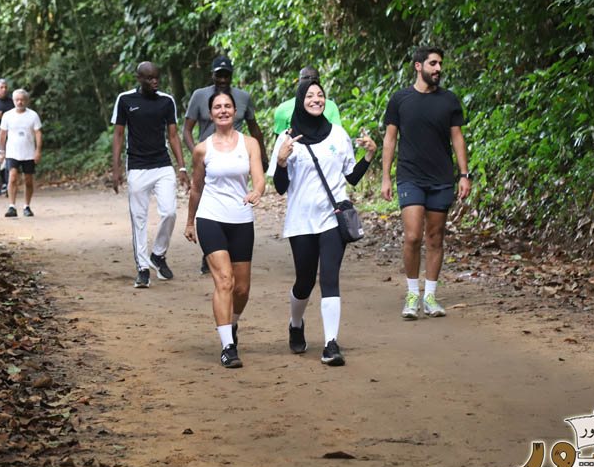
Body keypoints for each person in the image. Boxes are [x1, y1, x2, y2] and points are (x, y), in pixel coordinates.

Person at [268, 79, 376, 366]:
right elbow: (280, 187)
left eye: (321, 95)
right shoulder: (287, 138)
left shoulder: (338, 135)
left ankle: (330, 344)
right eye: (310, 95)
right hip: (301, 221)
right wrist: (280, 162)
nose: (316, 99)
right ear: (301, 100)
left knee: (329, 278)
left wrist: (369, 156)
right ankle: (295, 322)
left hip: (332, 218)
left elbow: (350, 177)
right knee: (304, 281)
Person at [381, 46, 471, 320]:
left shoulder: (449, 100)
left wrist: (464, 175)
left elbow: (457, 138)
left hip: (441, 178)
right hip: (410, 176)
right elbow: (390, 139)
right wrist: (385, 176)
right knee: (412, 236)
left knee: (435, 237)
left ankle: (430, 295)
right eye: (433, 63)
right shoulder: (400, 99)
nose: (438, 68)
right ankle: (412, 293)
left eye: (440, 64)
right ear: (418, 66)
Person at [184, 88, 265, 368]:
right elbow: (196, 187)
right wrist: (190, 221)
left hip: (241, 219)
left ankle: (232, 324)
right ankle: (227, 346)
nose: (222, 110)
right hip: (211, 218)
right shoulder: (202, 149)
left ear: (235, 111)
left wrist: (257, 191)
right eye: (217, 107)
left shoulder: (250, 143)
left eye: (227, 106)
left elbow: (259, 177)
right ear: (210, 113)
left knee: (242, 289)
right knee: (225, 281)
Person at [183, 55, 267, 274]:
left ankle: (223, 249)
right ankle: (211, 250)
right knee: (206, 196)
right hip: (209, 159)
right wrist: (198, 154)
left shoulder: (243, 97)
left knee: (240, 287)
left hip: (236, 156)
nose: (222, 78)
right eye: (218, 74)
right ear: (212, 75)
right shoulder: (199, 96)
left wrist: (262, 154)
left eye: (226, 74)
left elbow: (254, 126)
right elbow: (186, 129)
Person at [111, 62, 190, 288]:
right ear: (139, 79)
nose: (154, 81)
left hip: (162, 164)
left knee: (170, 212)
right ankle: (143, 268)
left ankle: (158, 254)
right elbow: (118, 135)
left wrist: (182, 167)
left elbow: (173, 136)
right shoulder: (125, 100)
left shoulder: (167, 101)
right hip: (136, 166)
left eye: (157, 77)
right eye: (149, 78)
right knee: (139, 219)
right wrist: (116, 168)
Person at [0, 89, 43, 217]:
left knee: (28, 180)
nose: (20, 102)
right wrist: (1, 151)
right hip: (12, 152)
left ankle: (27, 206)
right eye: (17, 99)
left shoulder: (33, 115)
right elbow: (2, 134)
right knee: (12, 177)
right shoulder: (7, 115)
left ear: (27, 101)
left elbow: (38, 133)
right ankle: (11, 206)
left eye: (22, 99)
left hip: (28, 152)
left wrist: (38, 151)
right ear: (13, 101)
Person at [272, 67, 342, 134]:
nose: (310, 80)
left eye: (314, 78)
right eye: (306, 78)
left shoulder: (330, 106)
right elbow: (280, 141)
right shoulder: (283, 109)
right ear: (298, 82)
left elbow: (337, 133)